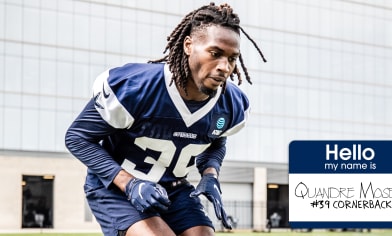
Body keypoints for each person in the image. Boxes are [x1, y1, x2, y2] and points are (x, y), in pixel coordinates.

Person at [65, 2, 266, 236]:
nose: (225, 67)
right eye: (215, 53)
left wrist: (210, 174)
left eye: (232, 58)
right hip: (118, 188)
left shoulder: (231, 104)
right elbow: (78, 137)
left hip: (174, 188)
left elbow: (216, 140)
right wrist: (129, 184)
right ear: (189, 45)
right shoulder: (137, 87)